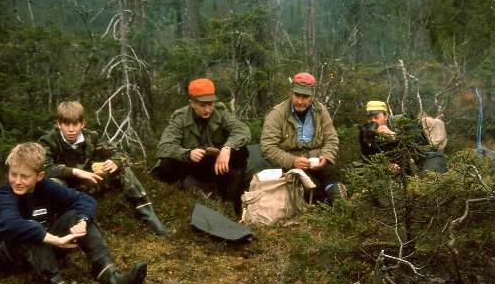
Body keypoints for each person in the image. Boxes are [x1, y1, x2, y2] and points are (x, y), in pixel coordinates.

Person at [0, 143, 148, 284]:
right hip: (4, 258)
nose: (17, 181)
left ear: (40, 176)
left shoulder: (46, 187)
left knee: (77, 215)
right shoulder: (4, 196)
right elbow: (12, 224)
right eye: (13, 174)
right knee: (31, 227)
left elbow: (85, 200)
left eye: (24, 176)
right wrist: (57, 240)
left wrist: (82, 222)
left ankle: (112, 278)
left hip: (39, 250)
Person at [38, 101, 169, 235]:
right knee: (53, 182)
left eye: (75, 124)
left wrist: (115, 162)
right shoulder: (48, 141)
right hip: (66, 190)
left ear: (82, 123)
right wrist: (75, 172)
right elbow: (43, 168)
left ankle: (149, 217)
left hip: (89, 184)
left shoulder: (91, 137)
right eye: (66, 124)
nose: (71, 129)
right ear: (59, 123)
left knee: (124, 170)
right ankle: (60, 223)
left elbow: (120, 153)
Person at [153, 78, 251, 215]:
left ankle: (230, 200)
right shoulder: (180, 118)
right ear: (191, 103)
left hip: (218, 166)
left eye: (210, 104)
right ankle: (200, 196)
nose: (207, 109)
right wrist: (187, 153)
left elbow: (243, 131)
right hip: (193, 166)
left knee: (241, 152)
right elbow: (164, 147)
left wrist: (227, 148)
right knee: (166, 166)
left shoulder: (220, 112)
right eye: (202, 105)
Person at [260, 72, 347, 203]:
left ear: (312, 96)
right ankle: (325, 205)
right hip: (290, 166)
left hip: (316, 162)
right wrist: (292, 161)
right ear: (291, 93)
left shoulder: (320, 111)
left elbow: (331, 138)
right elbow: (267, 147)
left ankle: (342, 205)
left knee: (332, 176)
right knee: (310, 186)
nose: (300, 101)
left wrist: (326, 156)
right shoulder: (277, 114)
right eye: (297, 95)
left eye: (305, 97)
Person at [359, 100, 447, 174]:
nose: (373, 121)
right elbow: (367, 159)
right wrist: (386, 166)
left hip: (424, 158)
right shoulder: (365, 132)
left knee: (431, 177)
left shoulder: (402, 121)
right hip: (400, 167)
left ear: (385, 116)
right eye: (369, 119)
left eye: (376, 117)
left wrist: (394, 136)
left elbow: (420, 144)